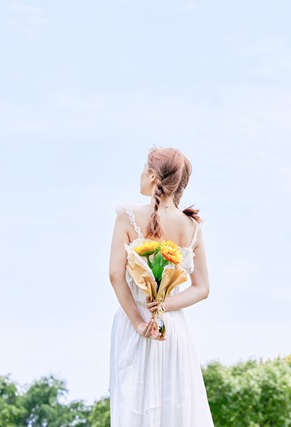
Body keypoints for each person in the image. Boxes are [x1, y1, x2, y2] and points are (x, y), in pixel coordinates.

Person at [108, 147, 215, 426]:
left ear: (153, 175)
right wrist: (165, 306)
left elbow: (115, 275)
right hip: (172, 328)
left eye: (145, 168)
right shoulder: (192, 227)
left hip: (137, 323)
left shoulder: (126, 215)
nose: (142, 173)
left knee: (133, 404)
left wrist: (138, 321)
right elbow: (202, 288)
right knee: (176, 408)